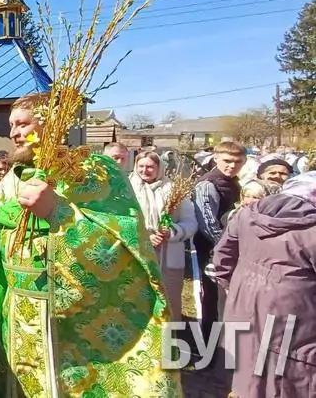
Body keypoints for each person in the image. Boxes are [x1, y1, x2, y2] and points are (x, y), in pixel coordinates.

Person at [0, 93, 181, 396]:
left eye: (22, 124)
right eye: (11, 125)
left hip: (75, 319)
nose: (13, 133)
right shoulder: (13, 180)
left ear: (52, 123)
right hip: (20, 314)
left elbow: (121, 243)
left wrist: (58, 212)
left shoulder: (93, 172)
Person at [212, 172, 316, 396]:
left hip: (244, 304)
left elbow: (223, 259)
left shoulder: (246, 214)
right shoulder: (311, 230)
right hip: (296, 316)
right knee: (288, 374)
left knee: (249, 367)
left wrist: (236, 292)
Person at [129, 151, 198, 321]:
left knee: (169, 297)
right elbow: (122, 220)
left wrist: (172, 231)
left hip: (169, 254)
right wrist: (145, 236)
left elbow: (190, 222)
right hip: (138, 251)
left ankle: (169, 333)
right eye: (141, 166)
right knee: (137, 297)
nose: (145, 170)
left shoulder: (173, 189)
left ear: (159, 168)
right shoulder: (128, 189)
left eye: (150, 167)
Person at [192, 140, 246, 346]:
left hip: (231, 250)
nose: (232, 165)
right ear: (216, 158)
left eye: (238, 162)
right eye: (227, 161)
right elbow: (208, 224)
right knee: (213, 299)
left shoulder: (233, 182)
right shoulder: (208, 185)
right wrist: (229, 249)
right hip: (213, 251)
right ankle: (210, 346)